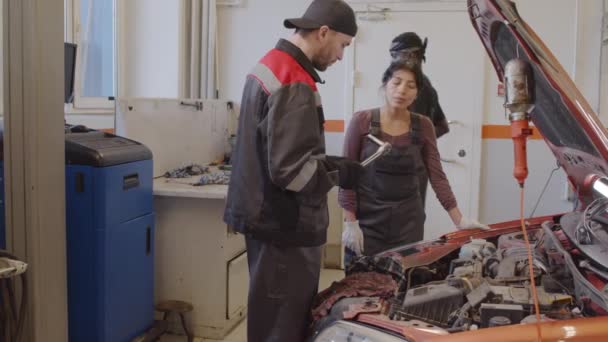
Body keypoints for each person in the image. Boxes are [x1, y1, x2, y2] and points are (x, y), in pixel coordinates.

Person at [223, 1, 362, 341]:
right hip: (284, 226)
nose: (341, 56)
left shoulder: (269, 66)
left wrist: (331, 163)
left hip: (266, 219)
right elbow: (291, 171)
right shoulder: (293, 79)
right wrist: (338, 174)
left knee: (269, 319)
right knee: (281, 328)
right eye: (343, 45)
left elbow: (284, 154)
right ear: (323, 33)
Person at [338, 60, 489, 267]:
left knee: (403, 285)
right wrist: (351, 222)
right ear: (385, 85)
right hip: (367, 223)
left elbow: (437, 175)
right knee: (362, 286)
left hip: (408, 224)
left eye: (410, 86)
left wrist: (459, 219)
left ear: (417, 93)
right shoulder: (362, 121)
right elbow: (346, 176)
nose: (402, 90)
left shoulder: (423, 125)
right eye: (397, 82)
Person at [390, 32, 448, 207]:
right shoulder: (424, 85)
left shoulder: (415, 90)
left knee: (405, 224)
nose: (392, 62)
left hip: (405, 170)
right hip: (412, 167)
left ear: (413, 55)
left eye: (395, 56)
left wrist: (415, 143)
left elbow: (439, 127)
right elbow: (443, 126)